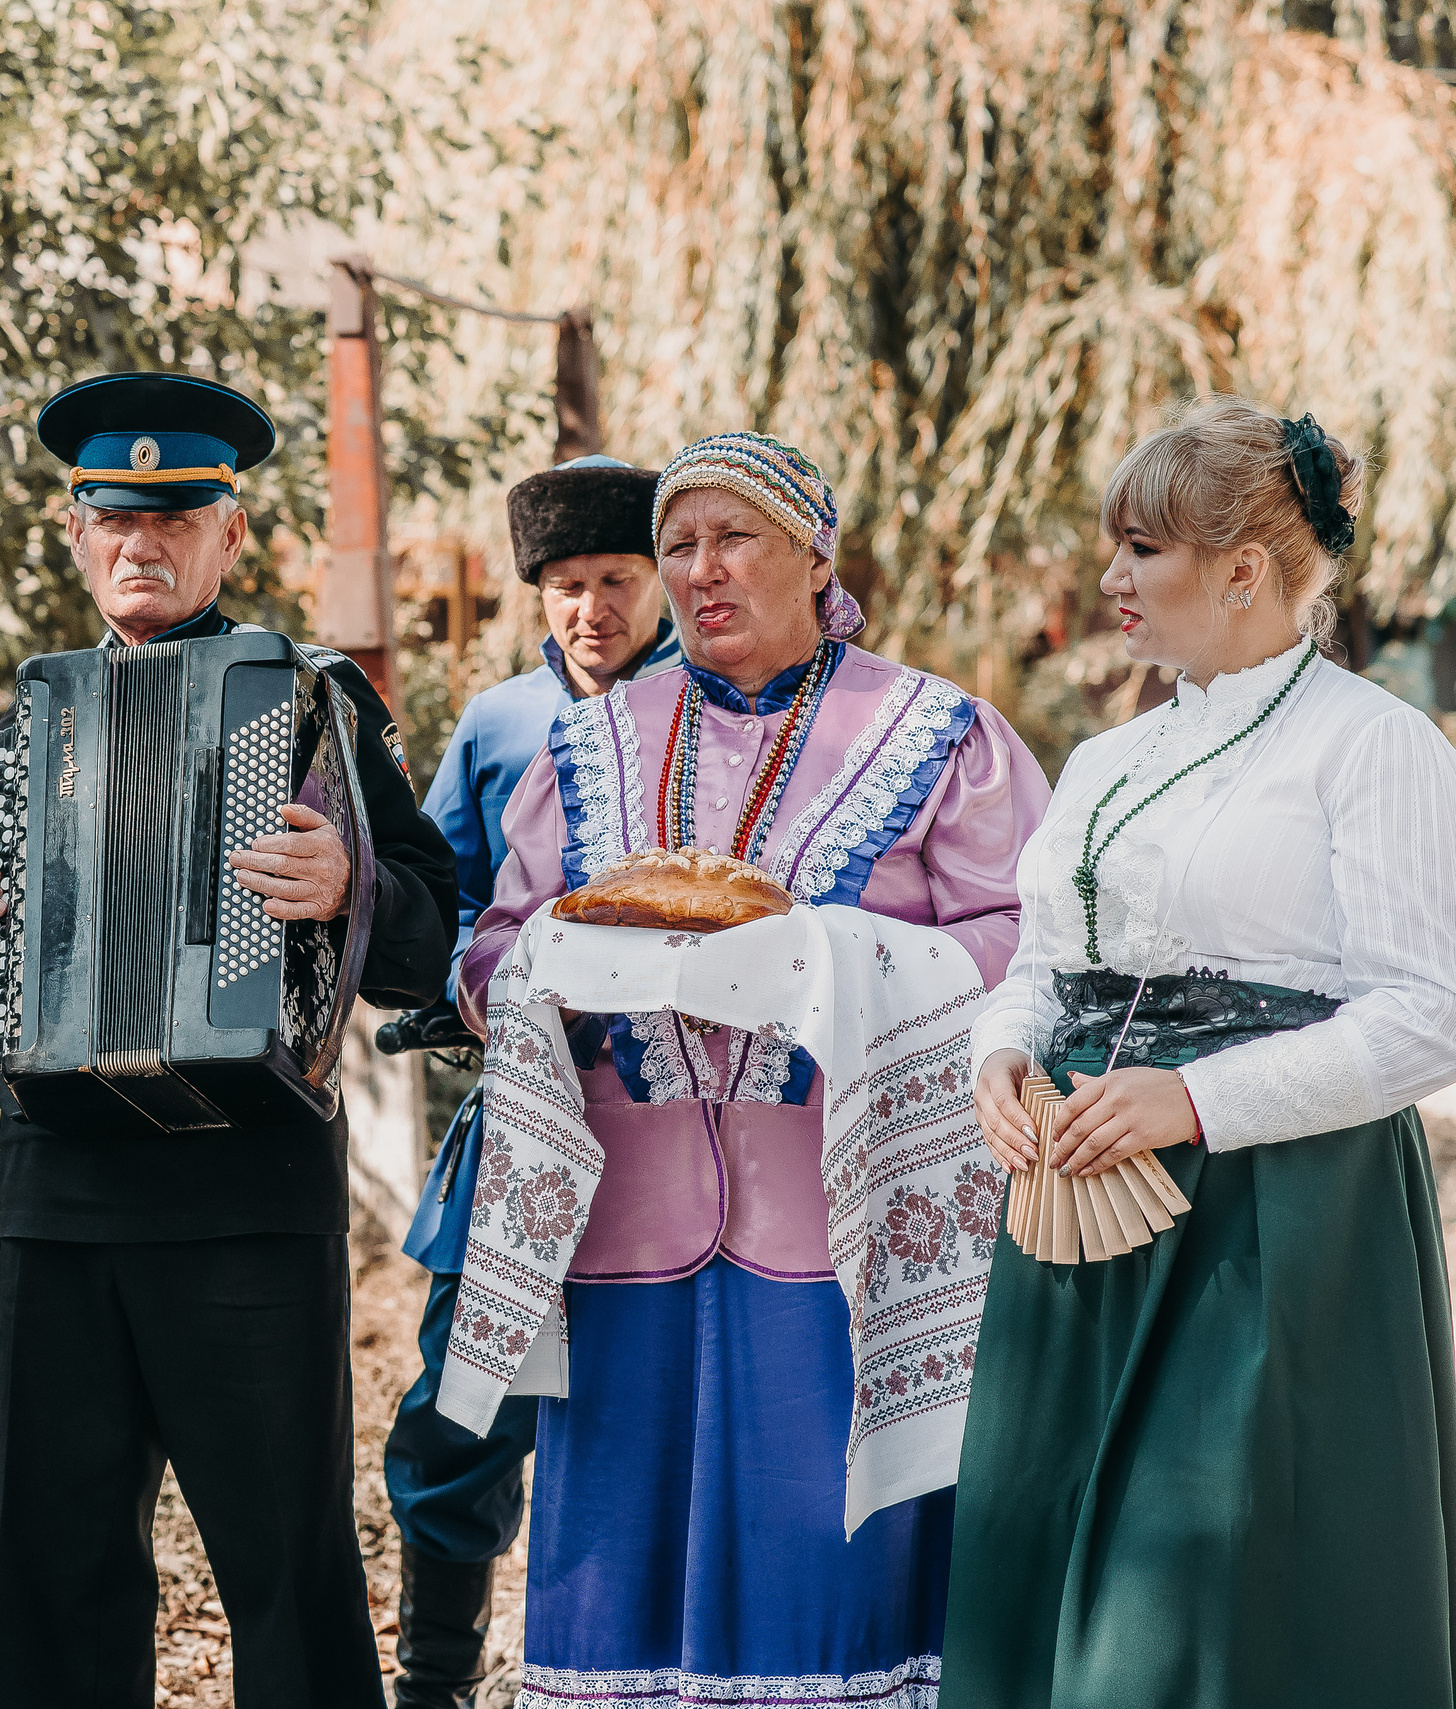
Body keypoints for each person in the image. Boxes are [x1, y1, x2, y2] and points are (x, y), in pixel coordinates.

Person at [452, 432, 1049, 1708]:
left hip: (845, 1229)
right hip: (619, 1227)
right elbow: (495, 940)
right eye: (676, 547)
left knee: (825, 1577)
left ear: (813, 552)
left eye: (734, 539)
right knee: (617, 1574)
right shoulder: (591, 736)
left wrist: (833, 955)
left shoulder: (935, 731)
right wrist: (541, 966)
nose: (699, 570)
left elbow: (1027, 939)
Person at [0, 371, 458, 1709]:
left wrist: (352, 887)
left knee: (285, 1567)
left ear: (232, 536)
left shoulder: (314, 703)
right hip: (65, 1200)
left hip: (247, 1201)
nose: (140, 545)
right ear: (77, 535)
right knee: (61, 1567)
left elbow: (438, 935)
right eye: (113, 519)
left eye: (175, 518)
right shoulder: (34, 716)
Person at [946, 399, 1456, 1705]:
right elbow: (1039, 966)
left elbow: (1426, 1015)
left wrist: (1193, 1096)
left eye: (1144, 548)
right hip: (1078, 1205)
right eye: (1114, 544)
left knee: (1210, 1601)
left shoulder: (1374, 743)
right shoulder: (1109, 755)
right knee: (1042, 1540)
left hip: (1274, 1220)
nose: (1111, 578)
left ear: (1245, 569)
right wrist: (998, 1062)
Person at [386, 453, 681, 1709]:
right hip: (520, 1118)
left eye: (616, 578)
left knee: (649, 1415)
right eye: (565, 584)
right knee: (463, 1409)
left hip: (678, 1134)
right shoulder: (499, 723)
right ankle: (434, 1684)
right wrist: (474, 981)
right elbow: (436, 894)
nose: (590, 608)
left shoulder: (718, 712)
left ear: (663, 581)